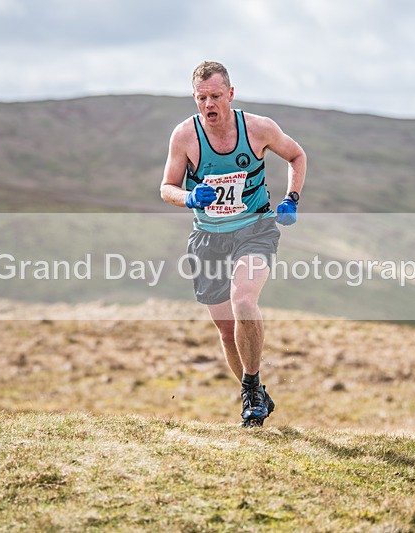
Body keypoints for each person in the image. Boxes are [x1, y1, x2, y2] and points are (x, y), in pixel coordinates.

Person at [160, 61, 306, 427]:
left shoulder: (258, 128)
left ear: (230, 94)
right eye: (201, 97)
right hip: (208, 237)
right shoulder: (185, 135)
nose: (209, 104)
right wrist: (189, 198)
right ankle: (253, 390)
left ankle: (251, 391)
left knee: (244, 301)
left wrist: (291, 198)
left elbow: (296, 155)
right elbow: (167, 187)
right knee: (226, 329)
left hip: (254, 229)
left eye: (215, 96)